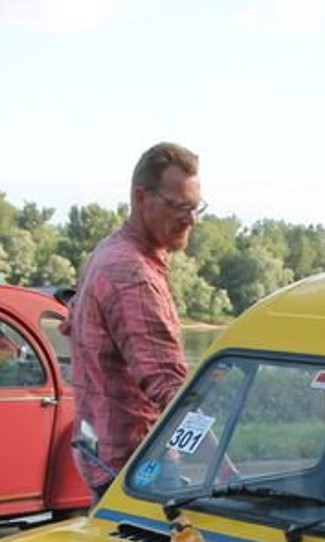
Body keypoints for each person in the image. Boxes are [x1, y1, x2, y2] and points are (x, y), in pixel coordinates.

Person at [69, 141, 202, 490]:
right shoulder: (132, 274)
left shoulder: (108, 251)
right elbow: (171, 390)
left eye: (196, 206)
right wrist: (229, 465)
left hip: (99, 453)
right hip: (138, 466)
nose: (192, 219)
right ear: (142, 198)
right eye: (180, 207)